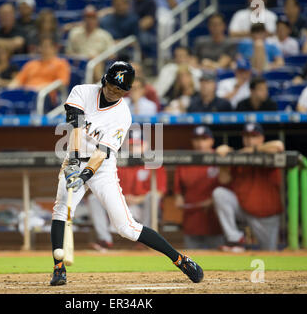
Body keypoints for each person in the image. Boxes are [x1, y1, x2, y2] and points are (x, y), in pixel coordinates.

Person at [49, 61, 203, 286]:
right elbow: (75, 127)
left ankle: (180, 259)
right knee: (60, 210)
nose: (113, 92)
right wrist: (72, 162)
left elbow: (102, 153)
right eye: (111, 86)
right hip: (74, 158)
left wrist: (84, 176)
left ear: (126, 92)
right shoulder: (81, 91)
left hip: (102, 168)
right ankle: (59, 268)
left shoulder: (122, 115)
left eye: (119, 90)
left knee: (126, 227)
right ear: (104, 80)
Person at [87, 131, 167, 251]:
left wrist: (138, 199)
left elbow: (160, 192)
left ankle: (146, 241)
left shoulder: (154, 163)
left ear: (145, 145)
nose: (133, 149)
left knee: (153, 197)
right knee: (93, 198)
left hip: (142, 207)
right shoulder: (117, 163)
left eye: (137, 145)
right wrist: (122, 198)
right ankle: (105, 240)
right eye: (130, 145)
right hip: (121, 204)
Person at [212, 123, 285, 251]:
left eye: (254, 136)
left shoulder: (268, 152)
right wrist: (222, 159)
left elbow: (279, 146)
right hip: (244, 210)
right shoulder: (239, 157)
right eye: (246, 137)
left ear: (262, 138)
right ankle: (235, 238)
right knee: (219, 193)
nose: (250, 140)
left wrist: (244, 152)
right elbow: (224, 179)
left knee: (270, 253)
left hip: (266, 216)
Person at [174, 126, 225, 249]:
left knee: (218, 261)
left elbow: (228, 187)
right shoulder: (185, 160)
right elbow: (178, 191)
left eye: (204, 139)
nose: (200, 143)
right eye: (197, 139)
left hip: (214, 220)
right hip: (192, 219)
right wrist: (178, 197)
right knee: (193, 261)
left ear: (211, 141)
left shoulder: (219, 157)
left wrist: (214, 200)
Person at [66, 5, 115, 82]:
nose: (90, 20)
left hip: (96, 63)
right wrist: (81, 57)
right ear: (83, 19)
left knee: (94, 64)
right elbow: (68, 53)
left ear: (97, 19)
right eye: (87, 17)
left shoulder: (104, 35)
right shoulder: (75, 33)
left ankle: (99, 89)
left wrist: (98, 57)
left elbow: (112, 55)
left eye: (92, 18)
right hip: (79, 63)